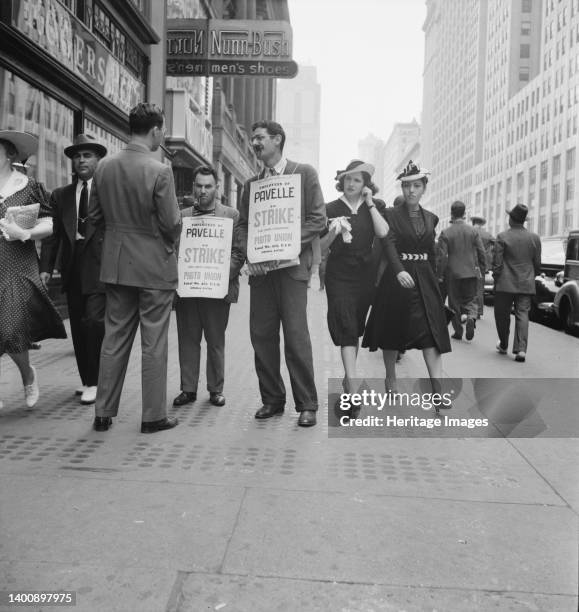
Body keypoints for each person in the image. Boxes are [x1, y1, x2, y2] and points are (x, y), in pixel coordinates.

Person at [88, 103, 182, 433]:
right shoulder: (159, 170)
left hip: (117, 265)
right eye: (163, 129)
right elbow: (171, 221)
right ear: (155, 130)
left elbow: (94, 220)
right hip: (154, 265)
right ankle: (153, 416)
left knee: (113, 338)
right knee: (153, 342)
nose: (164, 134)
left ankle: (103, 413)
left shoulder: (103, 167)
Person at [239, 120, 326, 427]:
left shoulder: (304, 174)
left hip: (291, 272)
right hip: (262, 272)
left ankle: (307, 404)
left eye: (260, 138)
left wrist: (285, 244)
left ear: (278, 140)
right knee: (261, 335)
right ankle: (272, 400)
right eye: (253, 139)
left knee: (296, 336)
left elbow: (318, 220)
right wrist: (248, 251)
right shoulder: (251, 185)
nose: (255, 143)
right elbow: (243, 225)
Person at [362, 161, 451, 403]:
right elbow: (388, 243)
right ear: (402, 188)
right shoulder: (390, 215)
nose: (411, 190)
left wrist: (435, 285)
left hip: (425, 280)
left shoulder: (432, 218)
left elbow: (432, 253)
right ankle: (390, 378)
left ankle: (437, 391)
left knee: (432, 334)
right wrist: (399, 270)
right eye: (407, 186)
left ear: (424, 188)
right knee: (393, 330)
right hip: (397, 278)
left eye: (416, 186)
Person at [0, 130, 66, 409]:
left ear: (10, 155)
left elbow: (50, 224)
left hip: (17, 260)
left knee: (11, 326)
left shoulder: (27, 186)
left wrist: (23, 232)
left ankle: (28, 374)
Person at [40, 134, 107, 406]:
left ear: (98, 160)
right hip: (73, 267)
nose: (81, 160)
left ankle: (97, 381)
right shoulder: (61, 195)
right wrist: (46, 268)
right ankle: (88, 380)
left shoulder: (106, 192)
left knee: (94, 323)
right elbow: (53, 236)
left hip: (101, 267)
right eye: (77, 156)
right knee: (79, 327)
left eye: (87, 155)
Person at [173, 166, 246, 408]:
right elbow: (173, 250)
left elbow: (238, 252)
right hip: (189, 290)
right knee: (188, 340)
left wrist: (220, 275)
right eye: (199, 186)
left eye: (208, 186)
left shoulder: (231, 216)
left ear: (218, 188)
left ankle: (216, 390)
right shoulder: (182, 216)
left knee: (215, 341)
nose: (203, 191)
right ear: (193, 187)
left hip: (217, 289)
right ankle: (188, 389)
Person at [321, 160, 388, 395]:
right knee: (346, 325)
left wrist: (369, 203)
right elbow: (320, 249)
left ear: (365, 185)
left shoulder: (376, 205)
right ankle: (353, 384)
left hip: (365, 275)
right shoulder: (329, 209)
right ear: (342, 181)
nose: (351, 183)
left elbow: (383, 232)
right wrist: (333, 231)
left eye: (357, 180)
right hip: (339, 274)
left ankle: (349, 379)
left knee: (355, 327)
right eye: (348, 179)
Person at [493, 204, 541, 362]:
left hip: (505, 283)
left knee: (502, 315)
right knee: (522, 314)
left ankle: (504, 344)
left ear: (511, 219)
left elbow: (497, 264)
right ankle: (521, 350)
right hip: (526, 283)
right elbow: (537, 264)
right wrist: (531, 276)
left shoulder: (502, 237)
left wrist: (496, 278)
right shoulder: (534, 238)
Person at [438, 201, 486, 341]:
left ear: (451, 214)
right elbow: (481, 252)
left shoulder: (446, 233)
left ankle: (458, 331)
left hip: (452, 273)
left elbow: (442, 256)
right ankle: (471, 317)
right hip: (470, 272)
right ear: (464, 214)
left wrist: (440, 274)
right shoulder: (473, 231)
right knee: (471, 300)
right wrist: (481, 269)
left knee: (454, 303)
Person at [471, 215, 495, 318]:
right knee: (479, 289)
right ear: (482, 224)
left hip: (470, 264)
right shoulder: (487, 234)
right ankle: (478, 312)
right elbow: (497, 245)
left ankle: (470, 311)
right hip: (481, 265)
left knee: (469, 288)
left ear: (473, 223)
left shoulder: (469, 231)